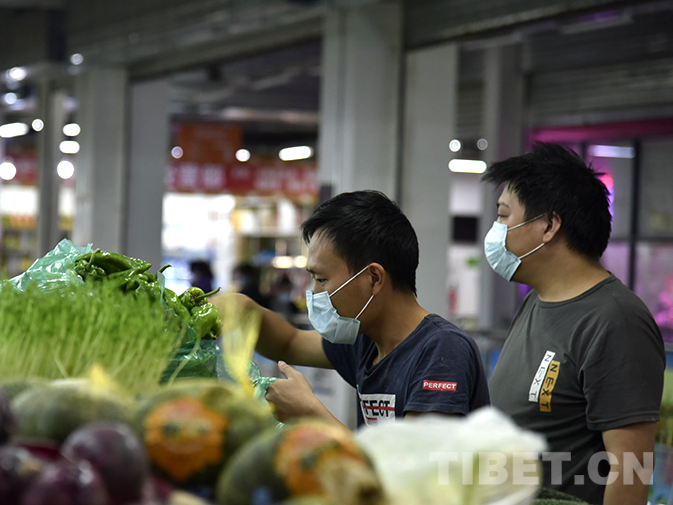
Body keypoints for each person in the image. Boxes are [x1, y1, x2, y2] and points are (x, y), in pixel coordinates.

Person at [214, 190, 490, 432]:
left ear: (373, 278)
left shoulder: (442, 350)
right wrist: (243, 309)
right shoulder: (366, 342)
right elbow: (290, 343)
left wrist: (311, 413)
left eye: (322, 279)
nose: (314, 294)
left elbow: (411, 467)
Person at [482, 143, 664, 505]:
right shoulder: (535, 302)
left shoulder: (615, 321)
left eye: (504, 215)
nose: (496, 230)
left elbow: (630, 473)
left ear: (549, 226)